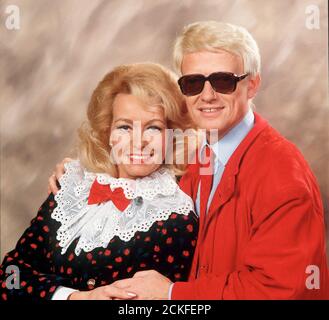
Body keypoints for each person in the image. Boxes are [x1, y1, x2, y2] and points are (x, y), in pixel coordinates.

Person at [49, 21, 329, 299]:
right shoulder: (195, 158)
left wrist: (173, 294)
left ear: (252, 85)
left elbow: (279, 288)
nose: (207, 95)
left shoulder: (282, 173)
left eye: (223, 81)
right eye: (194, 83)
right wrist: (81, 175)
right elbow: (136, 163)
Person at [0, 63, 199, 300]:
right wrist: (74, 297)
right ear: (108, 133)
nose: (139, 141)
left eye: (153, 128)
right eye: (125, 126)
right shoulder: (71, 186)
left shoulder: (176, 215)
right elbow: (11, 275)